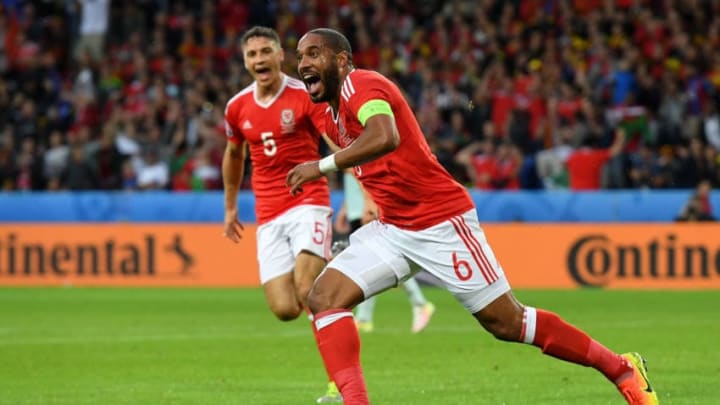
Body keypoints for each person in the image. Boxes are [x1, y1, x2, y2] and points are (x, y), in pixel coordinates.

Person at [287, 28, 659, 405]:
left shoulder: (362, 85)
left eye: (314, 54)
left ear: (341, 60)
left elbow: (385, 135)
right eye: (299, 57)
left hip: (442, 221)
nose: (303, 64)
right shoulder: (323, 108)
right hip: (394, 228)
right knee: (325, 298)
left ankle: (622, 368)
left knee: (507, 322)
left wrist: (320, 167)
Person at [221, 26, 342, 404]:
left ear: (279, 56)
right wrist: (229, 207)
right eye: (252, 54)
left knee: (310, 292)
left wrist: (365, 191)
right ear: (245, 62)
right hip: (269, 213)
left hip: (309, 200)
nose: (259, 60)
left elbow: (337, 143)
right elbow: (233, 155)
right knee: (285, 309)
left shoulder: (303, 96)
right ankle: (335, 260)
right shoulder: (237, 107)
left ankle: (338, 386)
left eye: (265, 52)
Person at [334, 172, 435, 333]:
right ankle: (365, 318)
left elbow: (362, 177)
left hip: (366, 210)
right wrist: (344, 210)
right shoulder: (347, 153)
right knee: (370, 264)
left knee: (378, 261)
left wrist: (369, 203)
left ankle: (419, 304)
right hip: (356, 210)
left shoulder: (355, 152)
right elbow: (353, 180)